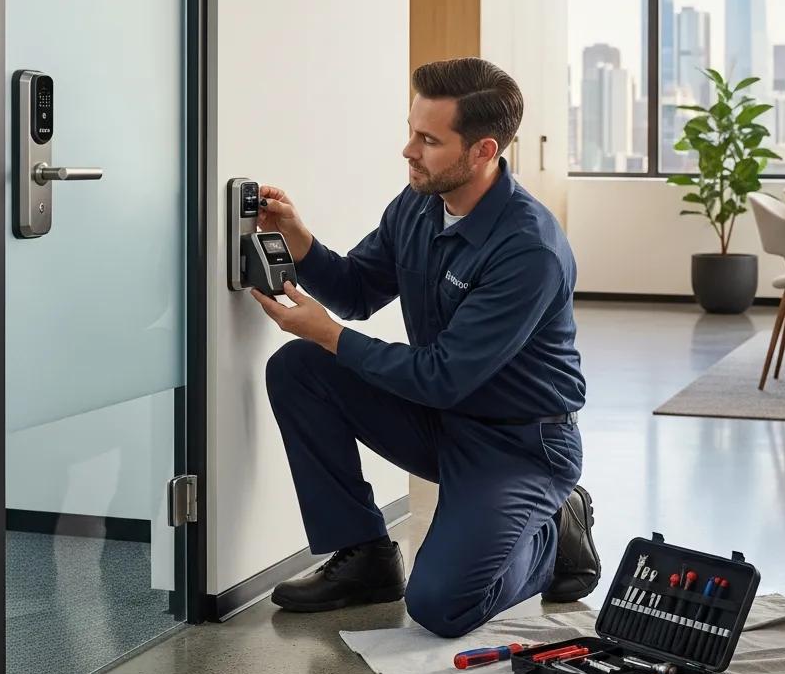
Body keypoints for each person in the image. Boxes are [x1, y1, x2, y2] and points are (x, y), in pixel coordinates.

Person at [250, 57, 598, 639]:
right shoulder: (419, 203)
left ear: (483, 151)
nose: (408, 150)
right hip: (441, 420)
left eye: (429, 140)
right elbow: (357, 291)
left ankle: (553, 532)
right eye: (412, 131)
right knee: (300, 368)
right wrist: (298, 237)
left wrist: (328, 332)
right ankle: (364, 558)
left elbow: (442, 375)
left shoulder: (527, 249)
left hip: (519, 445)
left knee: (441, 607)